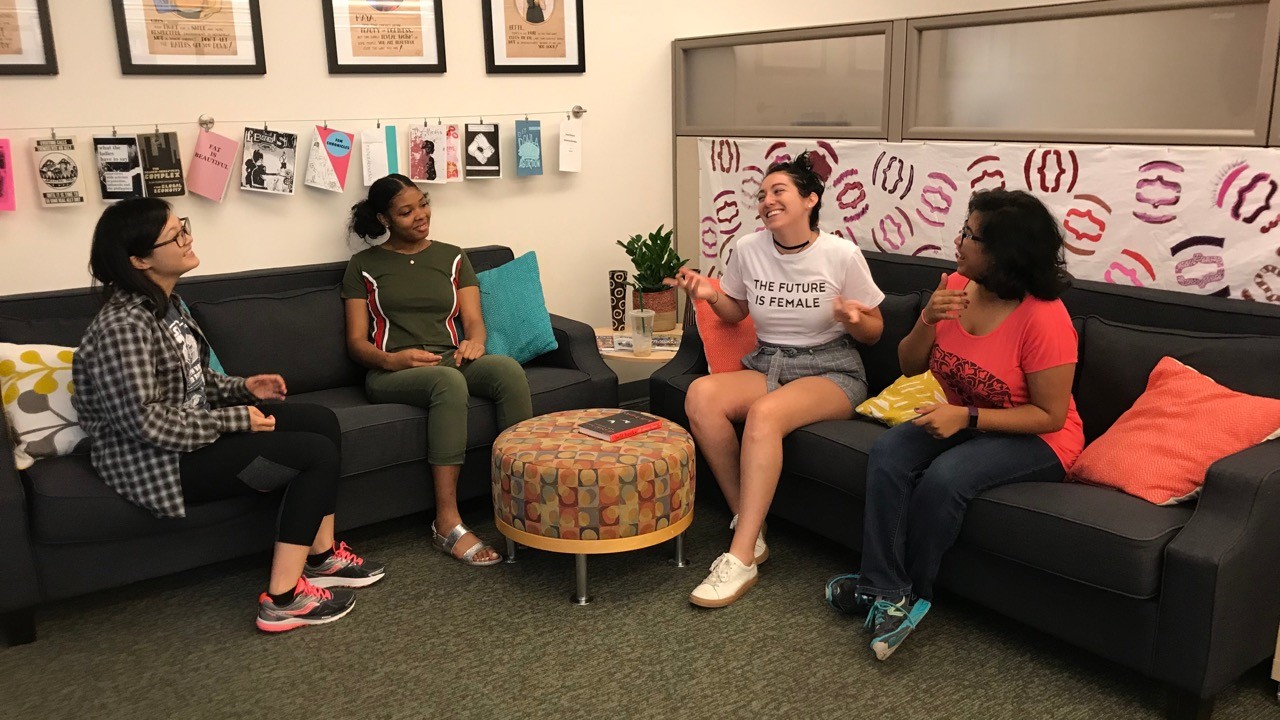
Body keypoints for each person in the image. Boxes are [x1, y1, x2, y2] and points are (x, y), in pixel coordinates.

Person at [72, 198, 384, 634]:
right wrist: (236, 419)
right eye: (175, 235)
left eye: (183, 226)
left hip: (189, 436)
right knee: (313, 453)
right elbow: (146, 421)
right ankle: (282, 600)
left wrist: (244, 388)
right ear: (139, 260)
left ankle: (321, 556)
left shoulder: (167, 306)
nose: (188, 238)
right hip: (156, 460)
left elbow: (194, 382)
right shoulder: (124, 326)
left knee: (320, 420)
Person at [825, 188, 1084, 661]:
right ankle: (885, 587)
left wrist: (966, 416)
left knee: (946, 478)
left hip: (1039, 439)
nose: (958, 241)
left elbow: (1050, 415)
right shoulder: (956, 287)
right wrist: (927, 318)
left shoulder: (1045, 318)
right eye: (964, 229)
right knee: (889, 453)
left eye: (970, 235)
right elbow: (909, 366)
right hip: (966, 418)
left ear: (1003, 253)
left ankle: (912, 593)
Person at [667, 151, 886, 608]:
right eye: (762, 194)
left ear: (810, 199)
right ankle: (750, 525)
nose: (767, 200)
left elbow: (875, 331)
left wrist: (854, 319)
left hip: (831, 369)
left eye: (778, 191)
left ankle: (741, 557)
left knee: (765, 415)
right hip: (769, 361)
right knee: (701, 395)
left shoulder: (841, 254)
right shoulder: (748, 249)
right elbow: (736, 311)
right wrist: (709, 295)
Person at [343, 174, 533, 566]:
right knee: (448, 383)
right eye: (406, 212)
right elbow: (356, 343)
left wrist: (475, 341)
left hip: (448, 358)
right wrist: (392, 360)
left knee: (507, 371)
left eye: (423, 204)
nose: (421, 215)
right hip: (391, 371)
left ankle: (525, 502)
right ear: (384, 219)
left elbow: (473, 320)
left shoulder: (453, 257)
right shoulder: (363, 265)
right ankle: (447, 522)